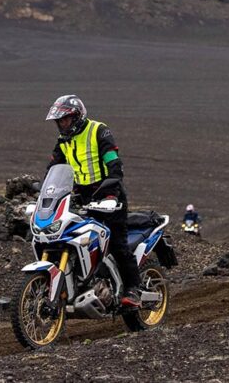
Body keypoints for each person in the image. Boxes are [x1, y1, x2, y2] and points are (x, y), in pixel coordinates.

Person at [43, 94, 141, 308]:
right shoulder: (63, 141)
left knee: (116, 243)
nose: (62, 124)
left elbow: (114, 164)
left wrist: (111, 192)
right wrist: (44, 190)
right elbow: (53, 168)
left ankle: (134, 289)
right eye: (59, 121)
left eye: (65, 119)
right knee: (72, 237)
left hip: (109, 194)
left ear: (77, 116)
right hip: (82, 197)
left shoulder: (98, 131)